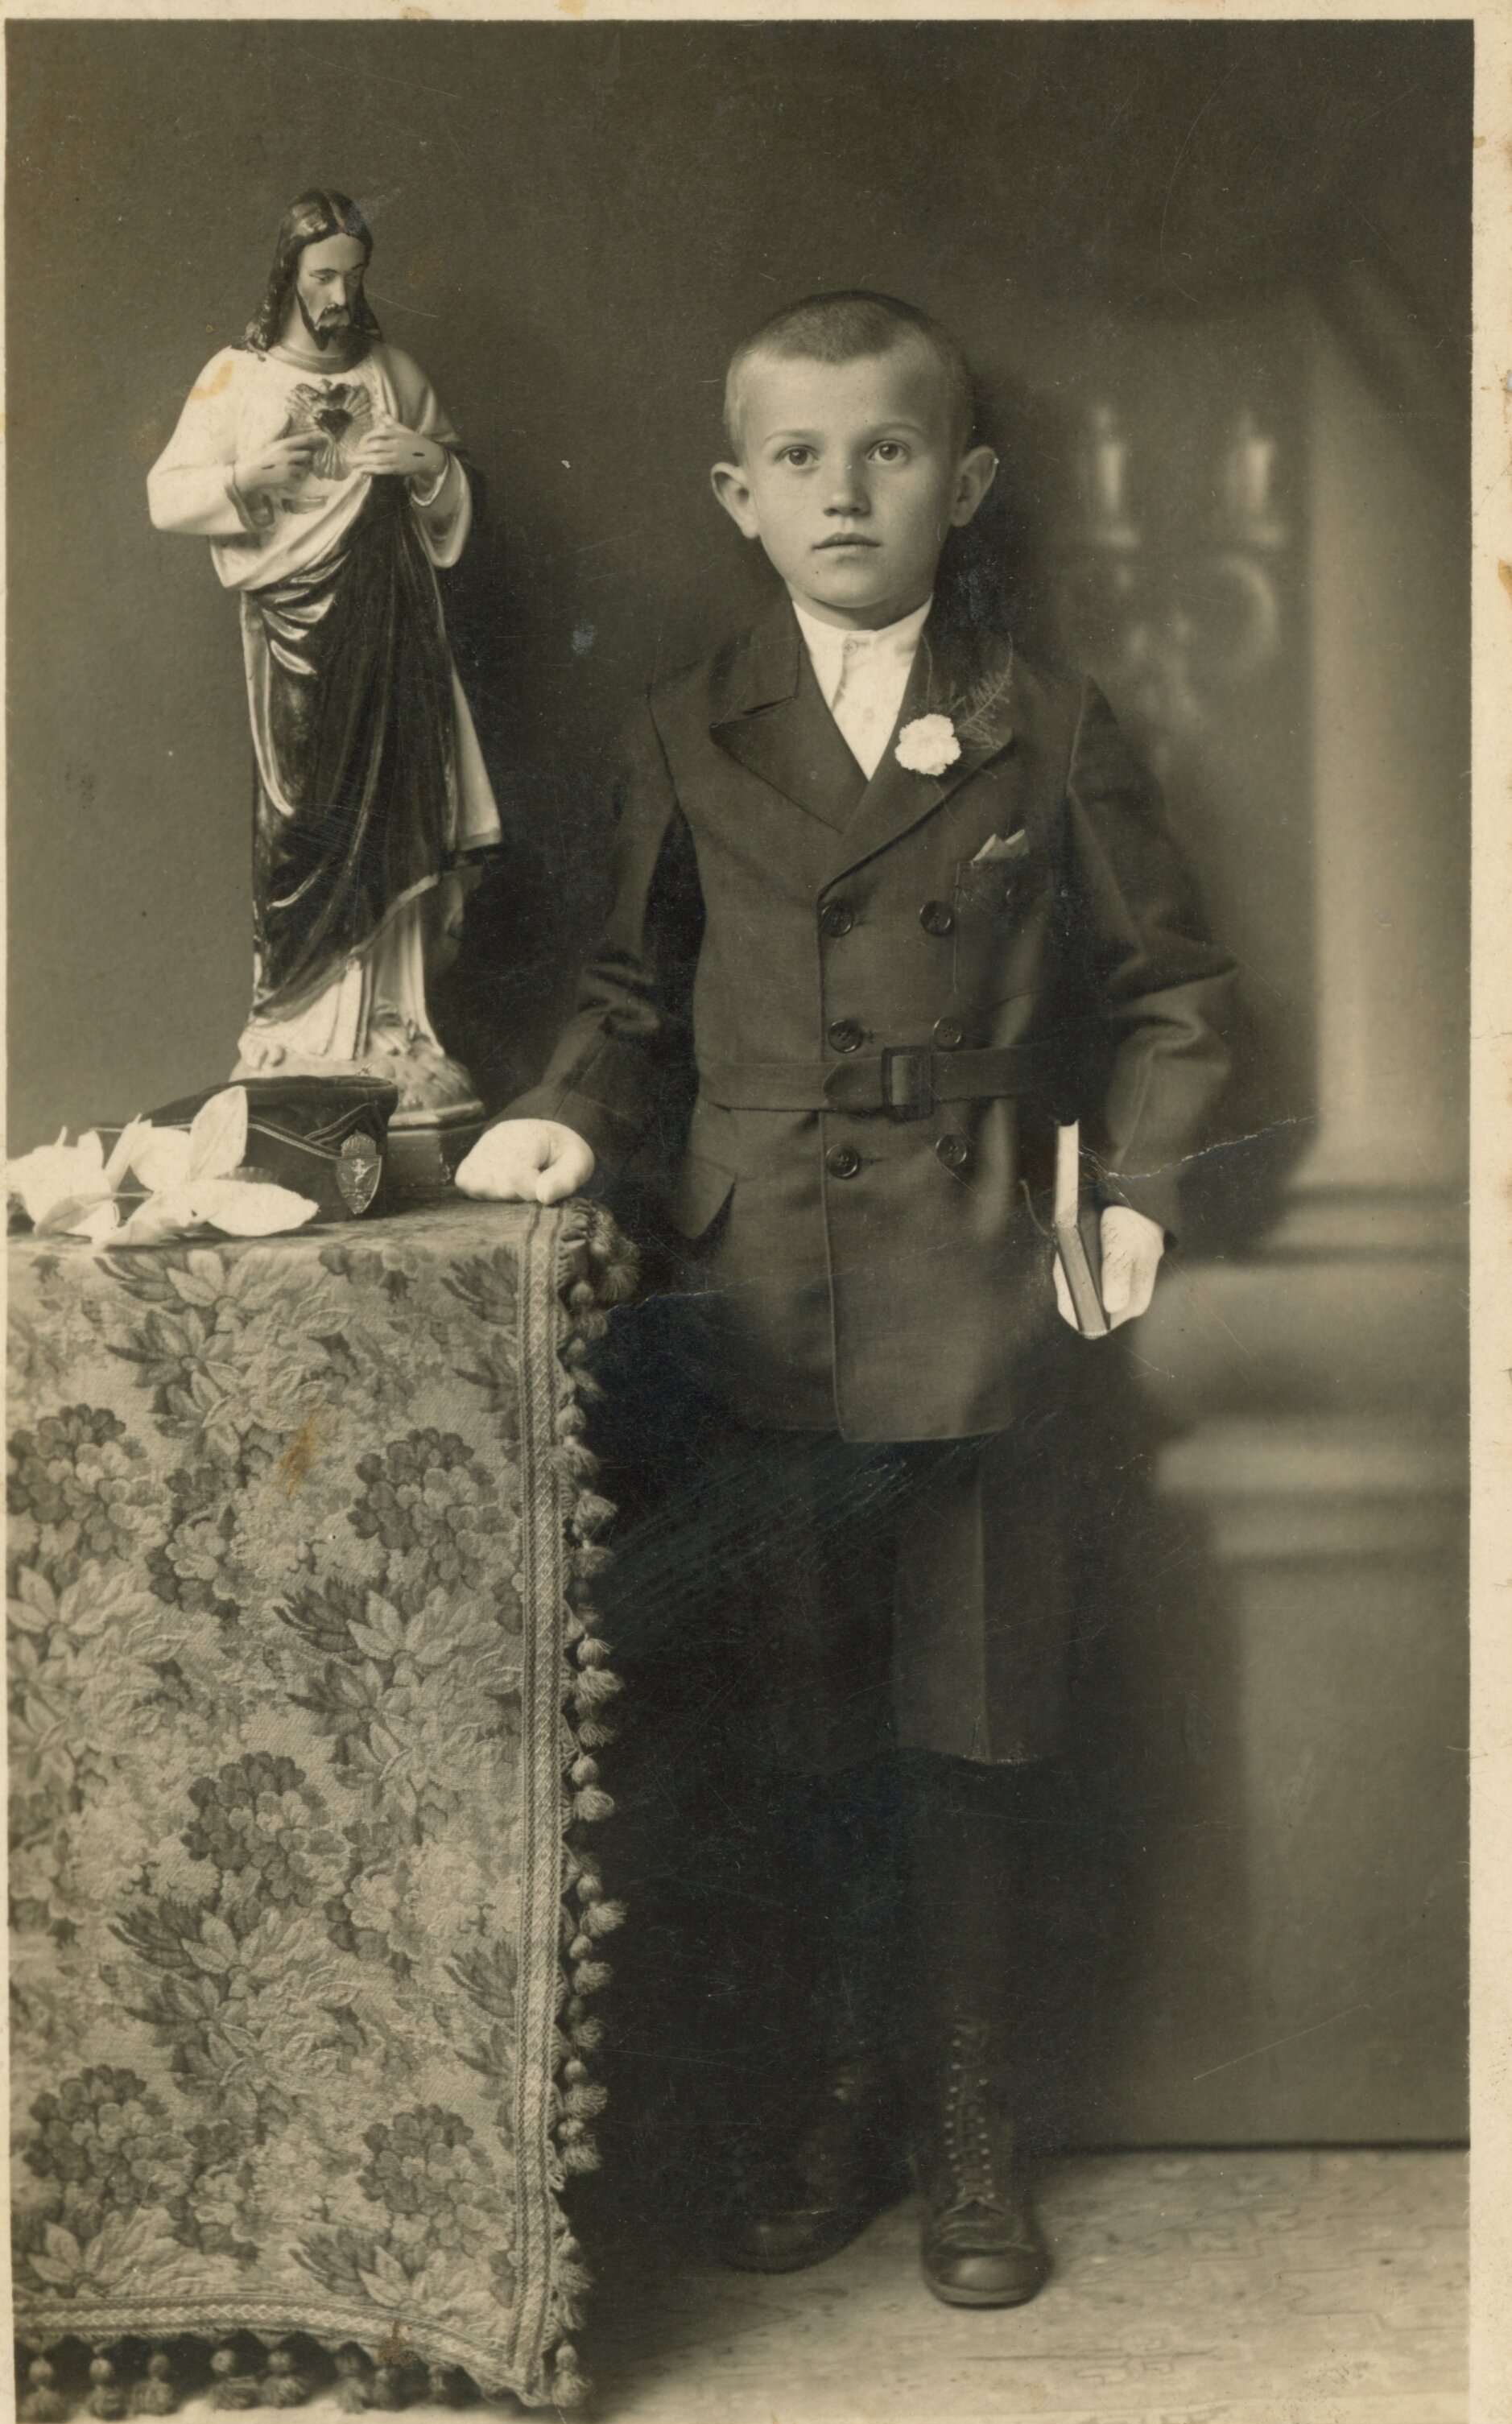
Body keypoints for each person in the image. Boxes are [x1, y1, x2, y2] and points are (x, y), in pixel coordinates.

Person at [456, 291, 1233, 2306]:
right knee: (797, 1722)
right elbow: (628, 996)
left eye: (888, 450)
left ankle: (972, 2123)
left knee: (971, 1722)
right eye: (798, 457)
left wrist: (1140, 1191)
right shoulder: (686, 727)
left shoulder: (1045, 720)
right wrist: (560, 1115)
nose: (844, 492)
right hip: (756, 1293)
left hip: (978, 1285)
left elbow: (1173, 995)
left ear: (963, 484)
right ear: (738, 496)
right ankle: (840, 2095)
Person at [148, 189, 498, 1110]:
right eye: (323, 277)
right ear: (288, 277)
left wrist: (427, 465)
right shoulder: (237, 376)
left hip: (393, 636)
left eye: (354, 275)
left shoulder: (393, 371)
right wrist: (245, 476)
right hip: (297, 638)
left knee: (395, 813)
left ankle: (392, 1028)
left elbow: (455, 485)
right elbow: (166, 493)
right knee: (303, 821)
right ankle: (295, 1036)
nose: (341, 295)